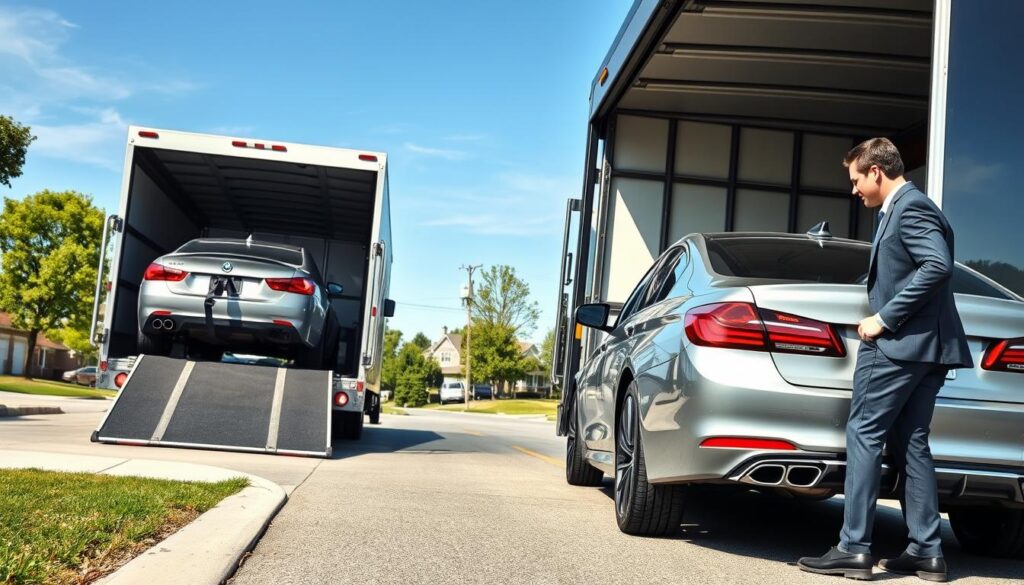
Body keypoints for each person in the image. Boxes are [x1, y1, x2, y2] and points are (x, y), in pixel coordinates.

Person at [798, 138, 972, 582]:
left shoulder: (909, 207)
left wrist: (883, 318)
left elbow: (938, 265)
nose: (853, 189)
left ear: (876, 171)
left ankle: (853, 547)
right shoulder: (908, 208)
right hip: (927, 349)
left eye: (856, 179)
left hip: (899, 344)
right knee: (911, 442)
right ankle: (927, 552)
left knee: (864, 432)